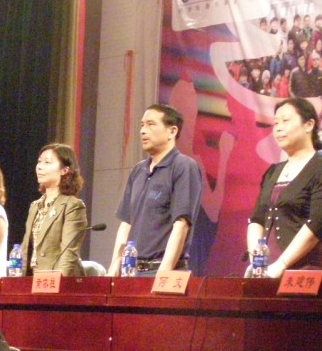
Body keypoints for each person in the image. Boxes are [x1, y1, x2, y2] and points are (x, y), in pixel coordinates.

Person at [247, 97, 322, 277]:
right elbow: (257, 219)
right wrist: (257, 264)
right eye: (276, 123)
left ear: (309, 125)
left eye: (285, 121)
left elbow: (317, 224)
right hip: (267, 274)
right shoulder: (273, 172)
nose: (278, 128)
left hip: (306, 272)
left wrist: (280, 265)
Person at [108, 103, 202, 277]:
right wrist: (114, 265)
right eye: (142, 125)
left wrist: (163, 274)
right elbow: (126, 222)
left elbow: (181, 225)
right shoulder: (138, 170)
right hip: (131, 271)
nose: (143, 131)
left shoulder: (183, 166)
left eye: (151, 125)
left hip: (161, 271)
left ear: (172, 131)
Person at [20, 143, 88, 276]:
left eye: (47, 162)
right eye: (39, 162)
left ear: (64, 170)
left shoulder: (73, 206)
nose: (40, 166)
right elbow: (26, 250)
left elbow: (69, 254)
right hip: (33, 278)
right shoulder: (35, 206)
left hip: (58, 280)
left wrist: (57, 282)